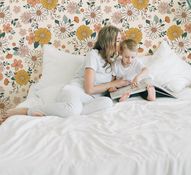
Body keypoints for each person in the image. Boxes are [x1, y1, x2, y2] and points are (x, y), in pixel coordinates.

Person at [2, 25, 130, 121]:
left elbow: (110, 87)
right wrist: (114, 83)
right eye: (117, 40)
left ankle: (65, 111)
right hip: (76, 91)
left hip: (90, 100)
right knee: (74, 110)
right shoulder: (93, 55)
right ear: (108, 42)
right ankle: (29, 110)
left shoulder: (114, 61)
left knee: (107, 103)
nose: (120, 44)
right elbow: (89, 89)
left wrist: (120, 87)